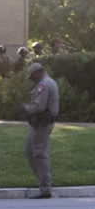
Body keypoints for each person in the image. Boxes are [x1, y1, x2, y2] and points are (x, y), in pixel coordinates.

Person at [24, 58, 60, 198]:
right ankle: (43, 180)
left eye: (32, 76)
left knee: (39, 154)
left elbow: (38, 107)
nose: (31, 80)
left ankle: (45, 188)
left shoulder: (43, 85)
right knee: (29, 150)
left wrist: (25, 107)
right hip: (41, 123)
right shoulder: (50, 82)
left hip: (41, 123)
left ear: (37, 73)